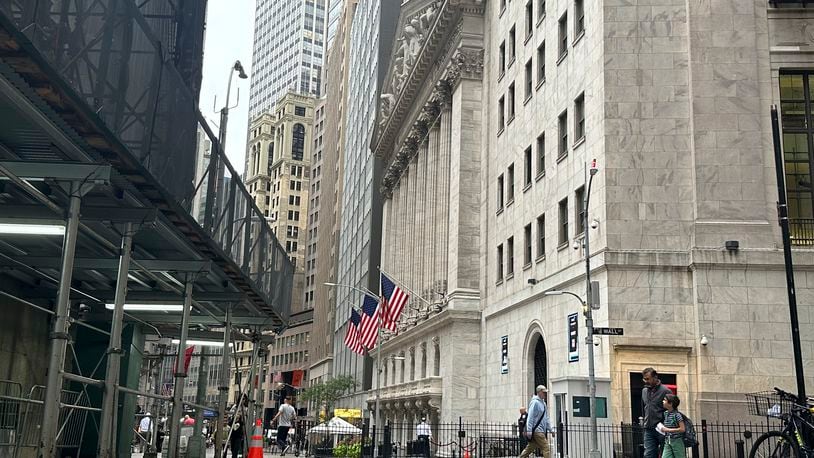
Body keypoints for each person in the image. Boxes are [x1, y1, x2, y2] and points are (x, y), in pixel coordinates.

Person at [642, 368, 672, 458]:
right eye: (644, 379)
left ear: (655, 377)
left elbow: (672, 409)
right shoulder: (644, 391)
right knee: (649, 454)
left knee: (665, 454)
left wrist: (667, 425)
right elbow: (645, 407)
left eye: (648, 379)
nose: (645, 381)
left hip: (663, 428)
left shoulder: (665, 391)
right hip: (649, 428)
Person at [520, 385, 553, 458]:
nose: (545, 394)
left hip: (539, 430)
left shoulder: (543, 403)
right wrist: (529, 430)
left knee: (530, 447)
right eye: (544, 392)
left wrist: (551, 429)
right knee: (546, 447)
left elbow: (546, 418)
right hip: (537, 430)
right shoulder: (535, 402)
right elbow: (530, 417)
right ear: (539, 392)